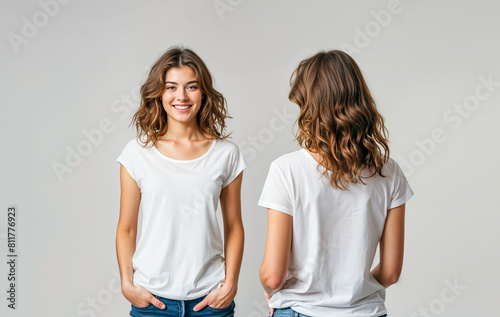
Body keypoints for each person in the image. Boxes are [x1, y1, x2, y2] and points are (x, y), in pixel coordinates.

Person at [258, 50, 414, 317]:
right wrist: (352, 290)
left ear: (309, 105)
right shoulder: (389, 172)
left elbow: (273, 276)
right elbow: (391, 271)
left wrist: (270, 288)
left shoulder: (286, 170)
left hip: (300, 310)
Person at [116, 47, 246, 317]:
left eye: (192, 87)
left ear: (204, 93)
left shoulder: (226, 153)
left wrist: (230, 283)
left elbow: (234, 226)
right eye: (171, 87)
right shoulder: (136, 153)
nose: (182, 97)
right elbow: (126, 228)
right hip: (151, 303)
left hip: (210, 303)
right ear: (159, 93)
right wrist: (127, 283)